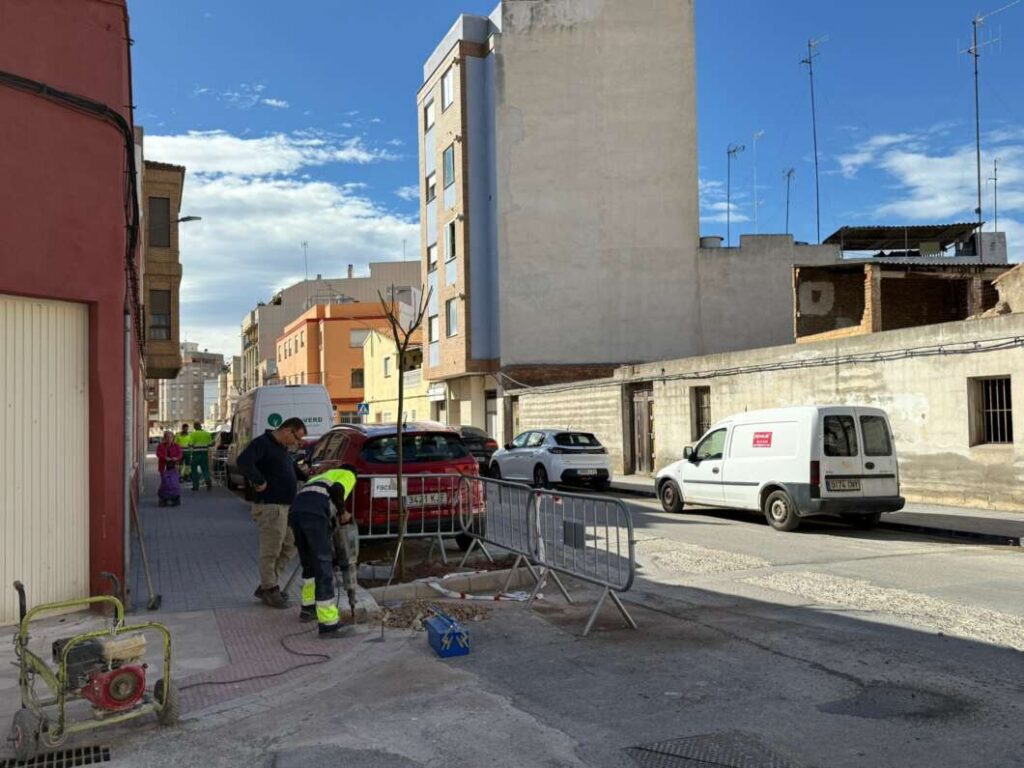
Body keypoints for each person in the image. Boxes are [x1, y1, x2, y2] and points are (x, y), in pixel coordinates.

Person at [236, 417, 308, 608]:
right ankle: (269, 588)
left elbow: (289, 467)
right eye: (296, 438)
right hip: (270, 506)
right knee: (271, 549)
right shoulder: (262, 443)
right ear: (287, 430)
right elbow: (243, 461)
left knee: (291, 544)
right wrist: (259, 480)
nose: (297, 443)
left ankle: (268, 584)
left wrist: (307, 475)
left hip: (285, 505)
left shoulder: (281, 448)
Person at [289, 466, 358, 637]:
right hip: (314, 515)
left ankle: (308, 609)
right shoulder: (348, 474)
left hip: (296, 513)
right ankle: (328, 624)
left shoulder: (320, 477)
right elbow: (336, 490)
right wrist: (343, 513)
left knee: (309, 565)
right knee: (323, 565)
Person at [189, 421, 214, 491]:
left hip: (196, 454)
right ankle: (208, 480)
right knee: (205, 469)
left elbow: (190, 444)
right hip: (204, 454)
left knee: (194, 470)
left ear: (194, 427)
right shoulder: (207, 434)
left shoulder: (193, 434)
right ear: (201, 426)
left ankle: (195, 486)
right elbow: (211, 444)